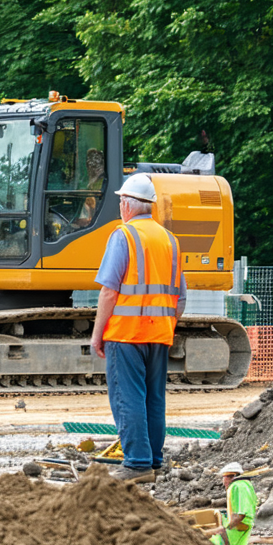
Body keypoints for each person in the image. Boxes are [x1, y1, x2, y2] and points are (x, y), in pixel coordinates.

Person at [89, 173, 186, 483]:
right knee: (153, 398)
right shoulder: (170, 240)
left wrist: (97, 334)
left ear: (127, 205)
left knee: (128, 397)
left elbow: (108, 291)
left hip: (126, 334)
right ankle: (154, 461)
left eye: (121, 201)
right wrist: (164, 324)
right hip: (159, 334)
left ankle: (137, 465)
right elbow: (180, 298)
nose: (120, 207)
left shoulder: (124, 236)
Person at [207, 463, 256, 545]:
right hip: (247, 523)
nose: (223, 482)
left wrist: (227, 527)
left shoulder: (236, 486)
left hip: (240, 524)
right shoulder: (246, 484)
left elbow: (241, 513)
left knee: (216, 544)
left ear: (230, 476)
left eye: (224, 477)